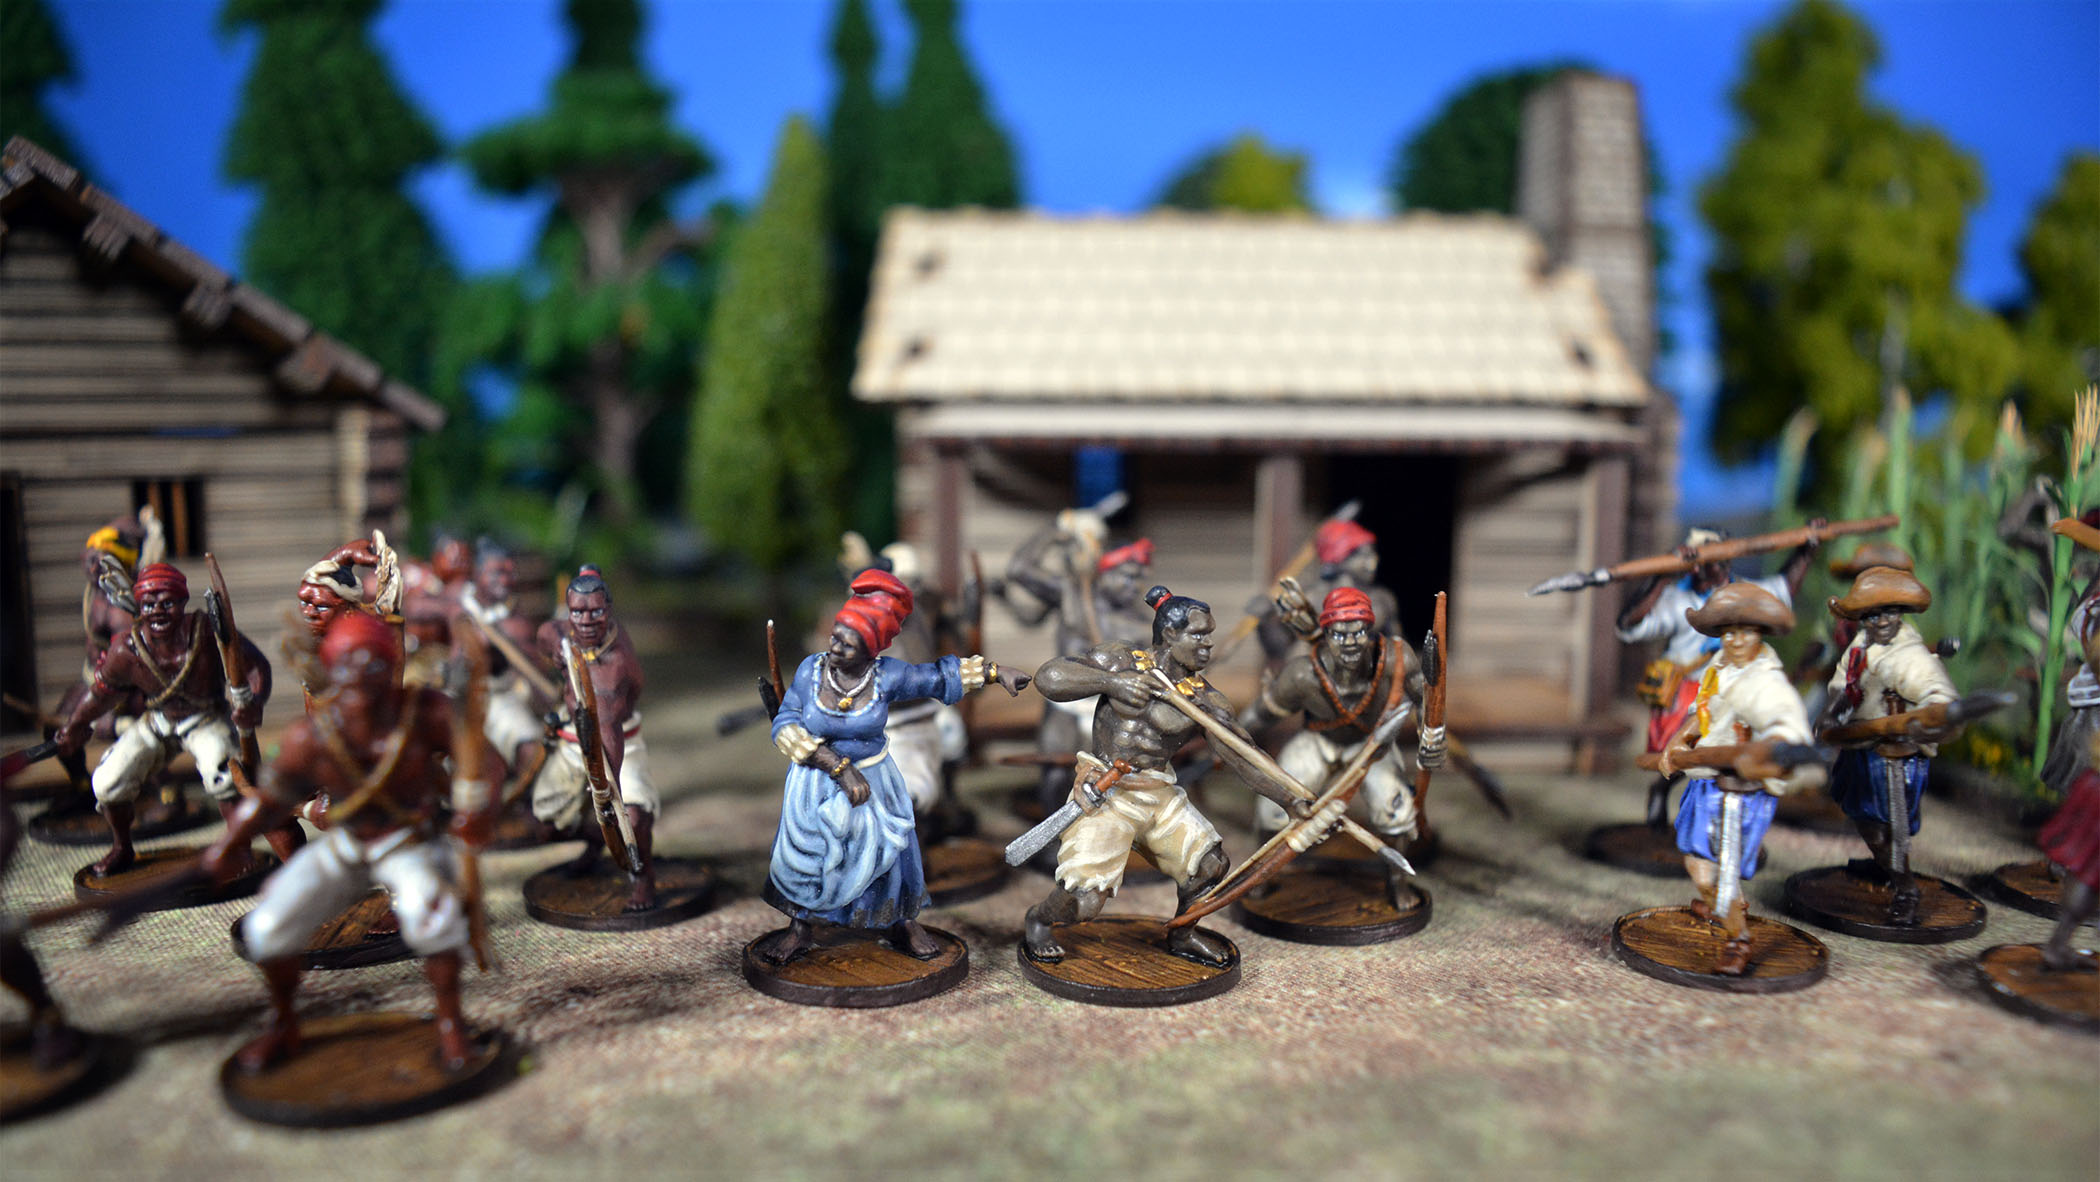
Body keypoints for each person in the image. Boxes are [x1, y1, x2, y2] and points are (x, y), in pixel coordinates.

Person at [205, 611, 498, 1071]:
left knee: (434, 918)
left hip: (409, 844)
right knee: (269, 926)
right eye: (346, 665)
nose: (360, 678)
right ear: (327, 669)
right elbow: (269, 799)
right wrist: (229, 845)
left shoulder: (426, 714)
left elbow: (483, 759)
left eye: (373, 665)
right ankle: (284, 1024)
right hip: (344, 847)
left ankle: (450, 1025)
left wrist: (476, 808)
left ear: (391, 667)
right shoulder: (311, 737)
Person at [1022, 585, 1342, 967]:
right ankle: (1039, 920)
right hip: (1106, 791)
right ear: (1170, 635)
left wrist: (1292, 802)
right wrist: (1112, 683)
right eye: (1199, 635)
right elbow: (1048, 677)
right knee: (1085, 902)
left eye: (1209, 634)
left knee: (1210, 866)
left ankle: (1183, 934)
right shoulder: (1121, 660)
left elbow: (1242, 757)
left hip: (1157, 791)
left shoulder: (1205, 700)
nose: (1208, 644)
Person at [755, 577, 1028, 965]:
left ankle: (900, 921)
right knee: (807, 856)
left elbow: (936, 677)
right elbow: (786, 723)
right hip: (815, 781)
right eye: (835, 636)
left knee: (890, 855)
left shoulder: (886, 676)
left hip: (875, 781)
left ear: (870, 649)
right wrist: (835, 766)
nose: (834, 647)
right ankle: (799, 927)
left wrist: (996, 672)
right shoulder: (810, 671)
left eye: (847, 643)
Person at [54, 562, 298, 876]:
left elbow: (254, 667)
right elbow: (101, 694)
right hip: (157, 720)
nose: (158, 611)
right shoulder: (127, 650)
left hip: (205, 718)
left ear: (183, 602)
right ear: (138, 606)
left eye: (167, 602)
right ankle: (121, 847)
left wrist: (254, 701)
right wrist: (74, 726)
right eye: (149, 604)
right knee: (107, 782)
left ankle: (239, 847)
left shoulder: (208, 631)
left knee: (225, 775)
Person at [1656, 582, 1825, 975]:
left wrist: (1774, 753)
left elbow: (1789, 731)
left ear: (1760, 634)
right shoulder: (1718, 666)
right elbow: (1704, 714)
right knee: (1696, 864)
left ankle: (1738, 938)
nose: (1734, 640)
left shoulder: (1767, 683)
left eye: (1745, 632)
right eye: (1728, 631)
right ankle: (1720, 901)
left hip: (1740, 795)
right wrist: (1678, 744)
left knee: (1721, 869)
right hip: (1705, 779)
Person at [1242, 586, 1426, 906]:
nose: (1351, 643)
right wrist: (1229, 738)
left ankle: (1396, 881)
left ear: (1371, 630)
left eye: (1359, 633)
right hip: (1318, 741)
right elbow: (1261, 714)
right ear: (1325, 634)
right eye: (1340, 635)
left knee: (1395, 809)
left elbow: (1426, 700)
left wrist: (1432, 736)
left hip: (1371, 745)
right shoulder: (1303, 674)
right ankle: (1263, 874)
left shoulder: (1397, 660)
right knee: (1274, 806)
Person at [1814, 565, 1959, 924]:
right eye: (1872, 613)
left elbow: (1939, 702)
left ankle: (1904, 885)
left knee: (1889, 828)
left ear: (1901, 613)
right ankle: (1886, 864)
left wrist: (1919, 725)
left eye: (1889, 612)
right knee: (1864, 819)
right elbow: (1845, 687)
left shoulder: (1912, 657)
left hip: (1895, 758)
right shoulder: (1858, 649)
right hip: (1861, 747)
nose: (1881, 620)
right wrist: (1832, 714)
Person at [1003, 509, 1157, 810]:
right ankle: (1051, 845)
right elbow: (1019, 569)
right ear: (1105, 571)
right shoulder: (1072, 593)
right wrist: (1056, 530)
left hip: (1113, 708)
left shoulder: (1139, 622)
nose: (1134, 586)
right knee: (1055, 775)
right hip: (1066, 702)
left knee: (1113, 780)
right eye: (1127, 575)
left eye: (1139, 578)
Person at [532, 567, 660, 911]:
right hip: (573, 740)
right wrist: (556, 651)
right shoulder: (564, 630)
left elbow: (608, 731)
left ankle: (643, 879)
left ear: (609, 610)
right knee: (546, 822)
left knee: (630, 818)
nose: (586, 621)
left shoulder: (614, 665)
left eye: (596, 612)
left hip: (619, 746)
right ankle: (596, 841)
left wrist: (608, 790)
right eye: (578, 612)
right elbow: (546, 632)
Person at [1256, 519, 1401, 661]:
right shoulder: (1308, 597)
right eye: (1364, 555)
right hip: (1316, 676)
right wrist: (1266, 621)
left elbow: (1396, 648)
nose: (1373, 561)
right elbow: (1279, 650)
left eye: (1372, 554)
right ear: (1340, 554)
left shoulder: (1381, 599)